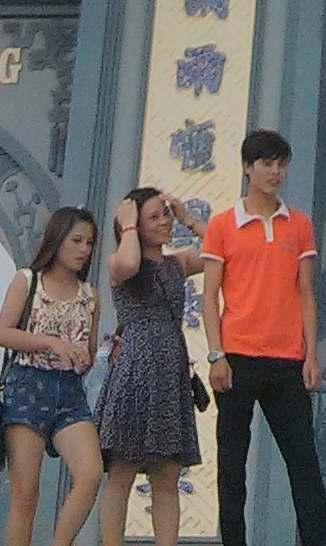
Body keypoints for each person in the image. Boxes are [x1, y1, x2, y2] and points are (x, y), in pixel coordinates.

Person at [199, 131, 326, 546]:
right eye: (266, 163)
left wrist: (311, 354)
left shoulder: (299, 224)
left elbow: (306, 290)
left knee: (304, 465)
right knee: (232, 466)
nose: (275, 172)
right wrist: (216, 354)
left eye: (281, 163)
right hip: (237, 357)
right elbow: (209, 295)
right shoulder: (223, 224)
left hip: (288, 360)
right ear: (247, 167)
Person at [97, 185, 214, 546]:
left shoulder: (176, 263)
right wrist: (128, 224)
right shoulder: (120, 262)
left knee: (167, 475)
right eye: (155, 216)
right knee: (122, 472)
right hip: (134, 370)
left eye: (164, 214)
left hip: (170, 373)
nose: (163, 222)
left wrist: (187, 218)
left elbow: (223, 248)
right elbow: (130, 263)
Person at [0, 207, 104, 546]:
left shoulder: (90, 295)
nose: (84, 249)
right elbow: (3, 334)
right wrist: (51, 343)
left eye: (89, 242)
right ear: (56, 241)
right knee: (26, 495)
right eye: (76, 240)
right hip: (28, 385)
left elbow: (88, 349)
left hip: (70, 392)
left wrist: (87, 355)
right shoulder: (28, 281)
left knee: (90, 472)